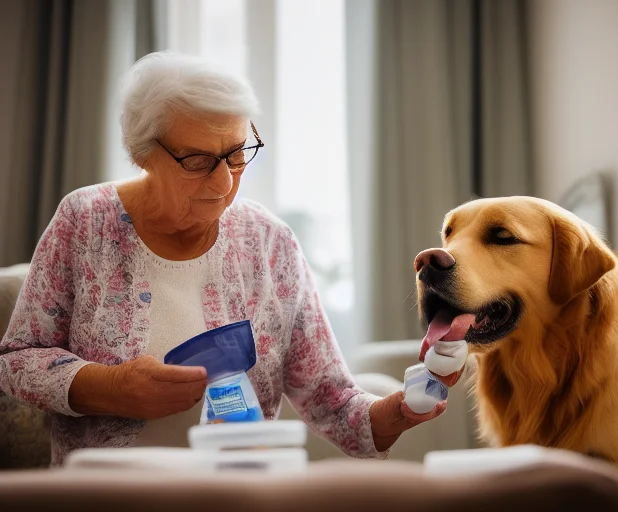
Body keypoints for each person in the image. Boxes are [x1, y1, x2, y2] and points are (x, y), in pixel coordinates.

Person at [0, 51, 449, 466]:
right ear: (143, 153)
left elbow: (330, 399)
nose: (224, 184)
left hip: (238, 494)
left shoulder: (270, 242)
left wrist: (402, 411)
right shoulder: (84, 221)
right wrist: (110, 388)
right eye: (197, 161)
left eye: (236, 154)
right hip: (110, 494)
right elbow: (16, 360)